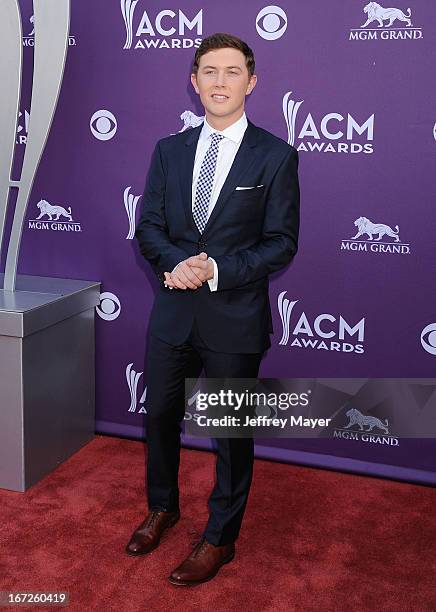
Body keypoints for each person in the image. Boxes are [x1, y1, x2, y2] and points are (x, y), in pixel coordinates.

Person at [126, 32, 300, 586]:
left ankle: (220, 538)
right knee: (158, 419)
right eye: (209, 71)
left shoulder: (276, 155)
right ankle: (163, 507)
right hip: (174, 310)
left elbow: (280, 242)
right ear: (194, 81)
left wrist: (215, 269)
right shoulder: (168, 150)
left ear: (251, 82)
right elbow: (148, 225)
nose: (219, 82)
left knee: (229, 432)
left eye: (231, 72)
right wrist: (181, 265)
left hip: (234, 318)